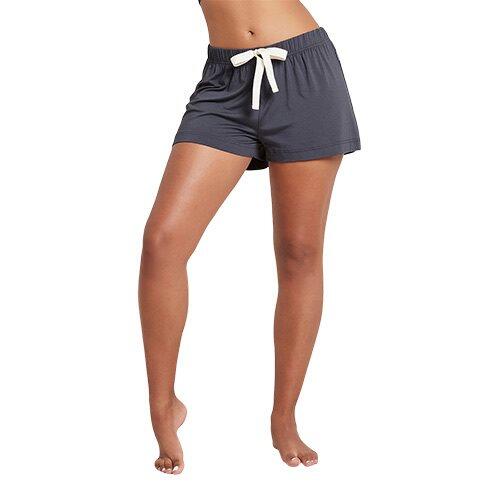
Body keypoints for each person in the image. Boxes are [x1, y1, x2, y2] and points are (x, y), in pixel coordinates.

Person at [139, 0, 360, 475]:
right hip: (225, 83)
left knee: (299, 253)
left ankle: (284, 416)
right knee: (163, 242)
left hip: (304, 72)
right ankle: (163, 405)